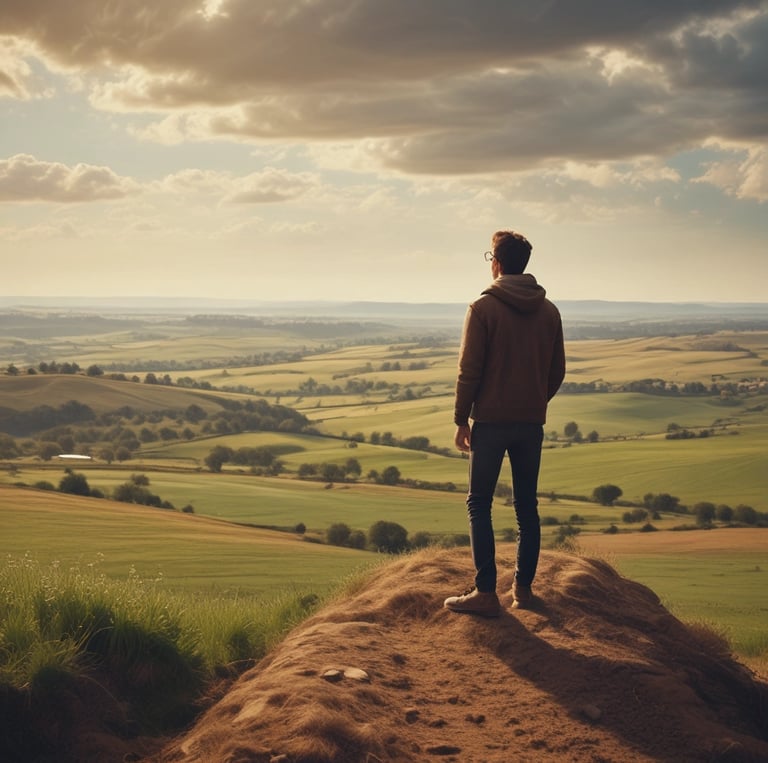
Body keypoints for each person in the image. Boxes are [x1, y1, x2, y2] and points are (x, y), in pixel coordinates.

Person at [444, 230, 565, 617]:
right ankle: (523, 591)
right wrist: (532, 401)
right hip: (530, 424)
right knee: (526, 506)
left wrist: (461, 418)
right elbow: (557, 371)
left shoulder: (482, 308)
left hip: (491, 423)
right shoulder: (549, 311)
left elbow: (469, 371)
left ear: (495, 262)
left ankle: (484, 593)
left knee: (479, 503)